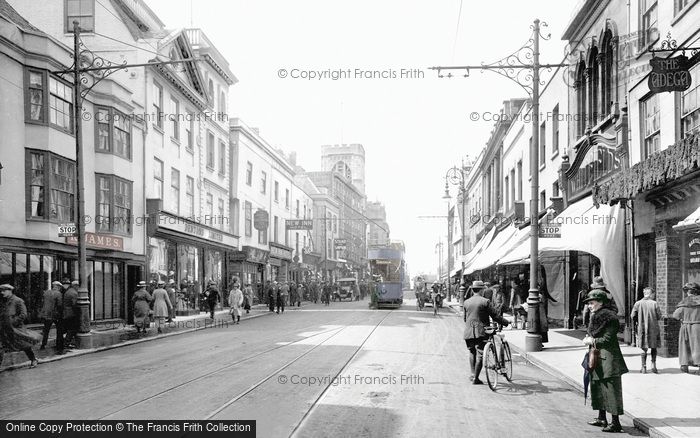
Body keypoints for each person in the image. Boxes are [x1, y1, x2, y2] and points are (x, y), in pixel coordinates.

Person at [582, 289, 628, 433]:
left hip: (609, 358)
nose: (589, 306)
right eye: (588, 303)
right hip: (596, 357)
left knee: (611, 390)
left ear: (601, 302)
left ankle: (616, 423)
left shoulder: (609, 318)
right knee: (597, 387)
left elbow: (607, 339)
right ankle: (602, 418)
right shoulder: (595, 316)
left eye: (592, 303)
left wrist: (592, 340)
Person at [463, 283, 509, 384]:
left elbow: (465, 319)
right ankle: (476, 378)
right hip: (481, 332)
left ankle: (472, 374)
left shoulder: (466, 302)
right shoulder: (485, 301)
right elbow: (495, 316)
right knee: (480, 354)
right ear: (481, 290)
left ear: (473, 290)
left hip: (468, 332)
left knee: (472, 352)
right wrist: (505, 322)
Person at [0, 284, 40, 369]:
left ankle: (33, 359)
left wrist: (14, 322)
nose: (2, 292)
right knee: (1, 346)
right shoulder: (4, 301)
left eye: (4, 291)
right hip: (4, 328)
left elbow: (23, 314)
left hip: (16, 328)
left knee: (24, 345)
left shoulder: (18, 301)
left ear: (10, 291)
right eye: (1, 291)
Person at [630, 287, 662, 373]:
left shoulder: (638, 303)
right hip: (653, 328)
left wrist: (638, 321)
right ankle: (653, 366)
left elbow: (632, 315)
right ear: (651, 294)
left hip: (642, 327)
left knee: (643, 347)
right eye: (653, 294)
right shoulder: (655, 303)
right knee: (654, 347)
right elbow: (659, 316)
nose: (654, 296)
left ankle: (643, 367)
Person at [672, 282, 700, 374]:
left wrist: (682, 318)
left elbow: (675, 315)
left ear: (688, 292)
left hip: (686, 326)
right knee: (698, 346)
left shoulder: (683, 302)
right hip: (698, 326)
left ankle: (684, 366)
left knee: (684, 346)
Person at [40, 281, 63, 351]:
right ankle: (59, 345)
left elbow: (43, 302)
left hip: (46, 314)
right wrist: (60, 313)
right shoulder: (58, 294)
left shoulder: (46, 292)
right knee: (59, 330)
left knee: (46, 330)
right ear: (58, 287)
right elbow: (59, 305)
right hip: (54, 315)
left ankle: (43, 344)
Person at [61, 280, 79, 350]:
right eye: (77, 286)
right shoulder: (74, 293)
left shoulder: (68, 291)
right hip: (71, 313)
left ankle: (66, 342)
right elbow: (74, 304)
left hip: (66, 313)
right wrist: (78, 312)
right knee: (71, 329)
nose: (78, 287)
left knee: (68, 328)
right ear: (75, 285)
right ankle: (67, 343)